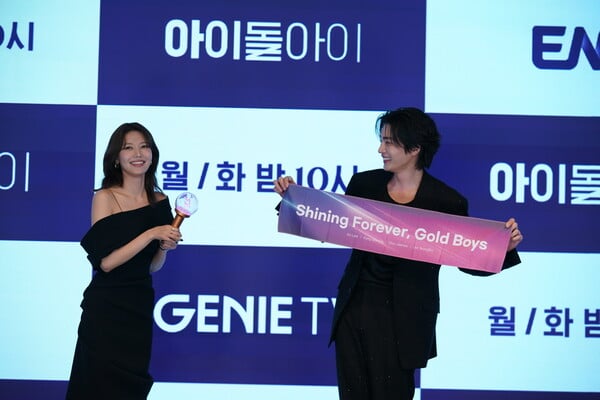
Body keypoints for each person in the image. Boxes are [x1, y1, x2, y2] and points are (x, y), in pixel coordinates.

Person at [273, 107, 523, 400]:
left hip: (405, 322)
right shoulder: (364, 185)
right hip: (355, 310)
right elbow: (329, 224)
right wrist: (292, 200)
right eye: (382, 140)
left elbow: (467, 260)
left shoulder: (445, 201)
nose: (381, 149)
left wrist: (503, 250)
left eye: (389, 142)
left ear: (415, 148)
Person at [66, 122, 182, 399]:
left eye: (144, 146)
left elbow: (152, 265)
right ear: (116, 157)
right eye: (128, 147)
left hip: (138, 307)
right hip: (106, 309)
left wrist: (164, 247)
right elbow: (106, 263)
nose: (138, 154)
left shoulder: (160, 200)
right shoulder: (105, 197)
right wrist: (152, 233)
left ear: (152, 154)